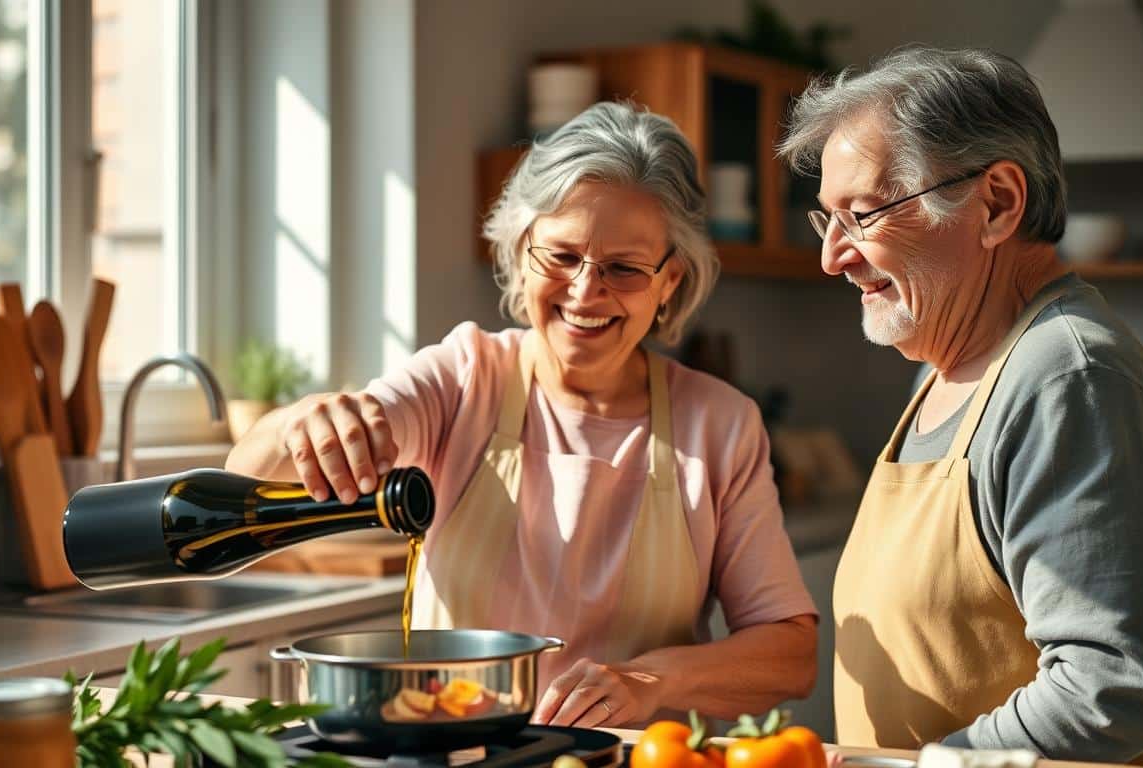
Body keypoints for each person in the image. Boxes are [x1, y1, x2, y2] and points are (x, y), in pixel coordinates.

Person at [228, 101, 818, 727]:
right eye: (561, 256)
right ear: (521, 245)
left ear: (669, 280)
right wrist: (308, 421)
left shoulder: (721, 424)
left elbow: (790, 654)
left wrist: (649, 679)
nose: (586, 292)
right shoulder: (462, 377)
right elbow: (248, 481)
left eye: (623, 268)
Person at [777, 46, 1143, 765]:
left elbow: (1112, 687)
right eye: (826, 220)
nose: (831, 257)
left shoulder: (1068, 378)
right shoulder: (947, 367)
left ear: (997, 202)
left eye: (863, 213)